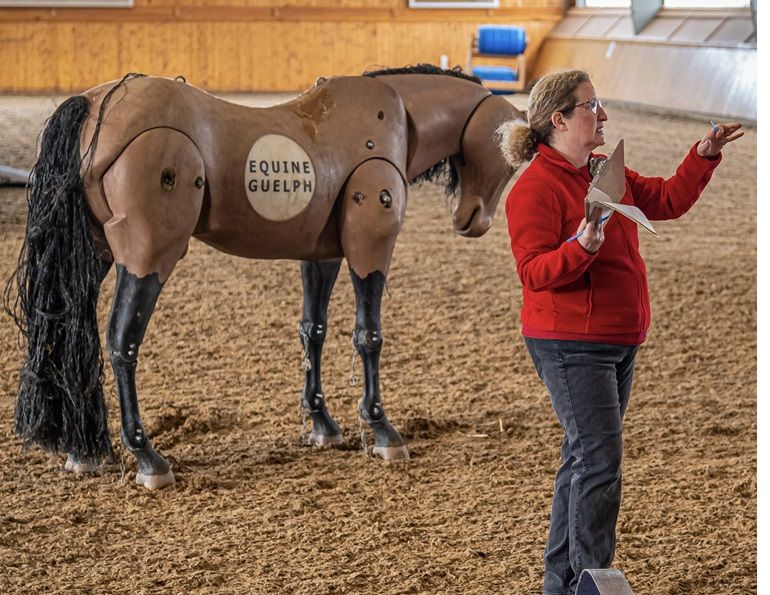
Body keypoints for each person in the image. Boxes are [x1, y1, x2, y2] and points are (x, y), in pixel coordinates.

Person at [499, 69, 743, 595]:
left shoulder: (604, 172)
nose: (603, 114)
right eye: (592, 105)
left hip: (616, 338)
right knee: (600, 459)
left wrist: (702, 154)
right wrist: (581, 248)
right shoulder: (533, 191)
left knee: (584, 456)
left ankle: (562, 581)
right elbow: (534, 274)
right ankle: (592, 578)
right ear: (559, 119)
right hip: (571, 343)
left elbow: (668, 200)